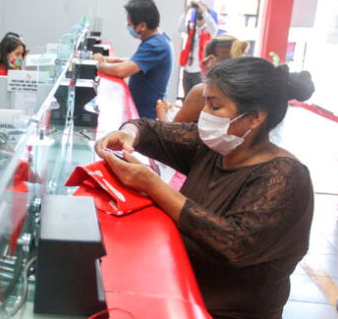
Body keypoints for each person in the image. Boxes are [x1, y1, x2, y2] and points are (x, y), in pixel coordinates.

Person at [95, 57, 315, 318]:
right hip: (179, 291)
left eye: (215, 106)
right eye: (205, 103)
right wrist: (129, 134)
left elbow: (233, 244)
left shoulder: (285, 177)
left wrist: (153, 185)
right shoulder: (215, 148)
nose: (204, 115)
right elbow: (150, 130)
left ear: (255, 117)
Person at [92, 0, 173, 119]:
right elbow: (134, 61)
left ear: (142, 26)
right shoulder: (160, 38)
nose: (128, 27)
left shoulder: (156, 45)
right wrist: (106, 59)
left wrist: (98, 65)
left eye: (129, 25)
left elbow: (122, 71)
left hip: (146, 116)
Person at [157, 35, 249, 123]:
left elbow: (170, 133)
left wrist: (161, 110)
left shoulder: (205, 91)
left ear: (211, 60)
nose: (201, 64)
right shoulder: (244, 91)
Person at [178, 0, 218, 97]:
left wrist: (203, 12)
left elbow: (214, 27)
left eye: (201, 17)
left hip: (199, 73)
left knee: (198, 100)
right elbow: (179, 27)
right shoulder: (191, 29)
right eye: (198, 16)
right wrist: (186, 11)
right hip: (187, 71)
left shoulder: (209, 32)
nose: (199, 19)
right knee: (186, 99)